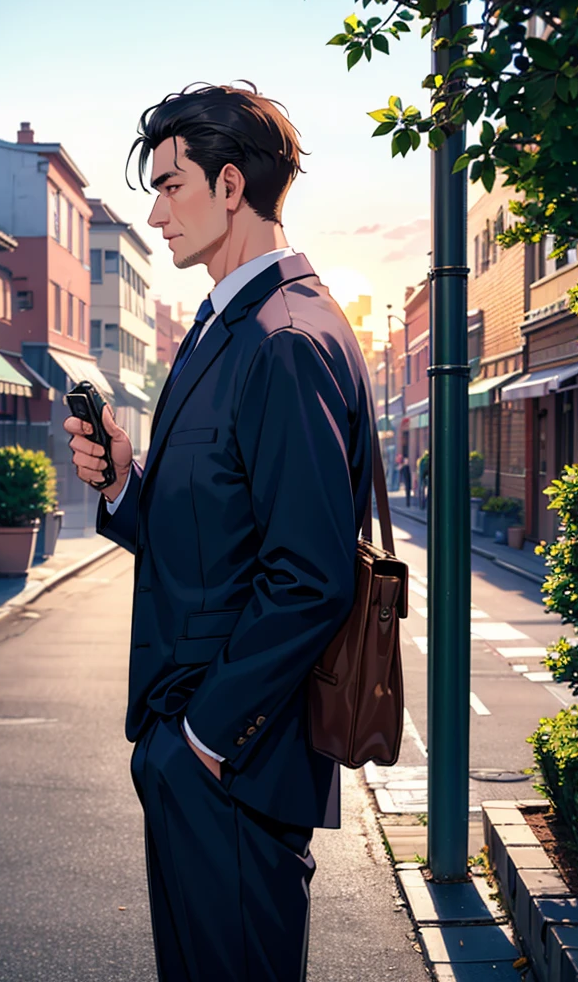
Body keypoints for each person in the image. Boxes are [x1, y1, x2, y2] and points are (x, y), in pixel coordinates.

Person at [63, 82, 374, 982]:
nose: (155, 213)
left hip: (232, 763)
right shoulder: (229, 328)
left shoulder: (283, 336)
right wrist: (128, 483)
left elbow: (310, 575)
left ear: (230, 186)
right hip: (201, 759)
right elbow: (219, 534)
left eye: (170, 186)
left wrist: (204, 738)